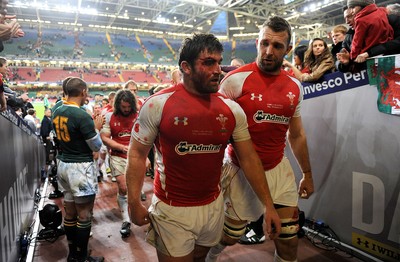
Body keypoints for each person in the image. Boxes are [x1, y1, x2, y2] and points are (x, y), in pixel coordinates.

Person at [125, 33, 281, 262]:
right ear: (186, 67)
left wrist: (269, 205)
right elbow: (137, 154)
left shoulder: (231, 109)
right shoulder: (158, 104)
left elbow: (248, 158)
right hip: (172, 209)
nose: (218, 69)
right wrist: (133, 202)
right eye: (209, 62)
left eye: (219, 62)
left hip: (213, 206)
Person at [207, 16, 314, 262]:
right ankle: (208, 258)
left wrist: (307, 174)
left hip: (278, 169)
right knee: (229, 237)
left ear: (287, 50)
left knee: (288, 241)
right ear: (257, 42)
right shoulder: (234, 81)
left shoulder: (295, 87)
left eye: (277, 46)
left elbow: (296, 133)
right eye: (264, 43)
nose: (268, 51)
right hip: (240, 171)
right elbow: (217, 131)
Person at [52, 77, 104, 262]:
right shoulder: (81, 115)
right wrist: (96, 127)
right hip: (80, 168)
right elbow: (96, 146)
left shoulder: (56, 110)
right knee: (84, 214)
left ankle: (72, 254)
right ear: (83, 92)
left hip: (63, 165)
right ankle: (81, 257)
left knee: (70, 213)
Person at [100, 89, 139, 238]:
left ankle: (135, 212)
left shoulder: (138, 115)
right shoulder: (109, 116)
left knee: (134, 189)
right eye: (123, 107)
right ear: (118, 105)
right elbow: (104, 137)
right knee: (123, 187)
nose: (126, 110)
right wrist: (122, 147)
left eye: (129, 107)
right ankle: (126, 220)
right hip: (117, 156)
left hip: (136, 156)